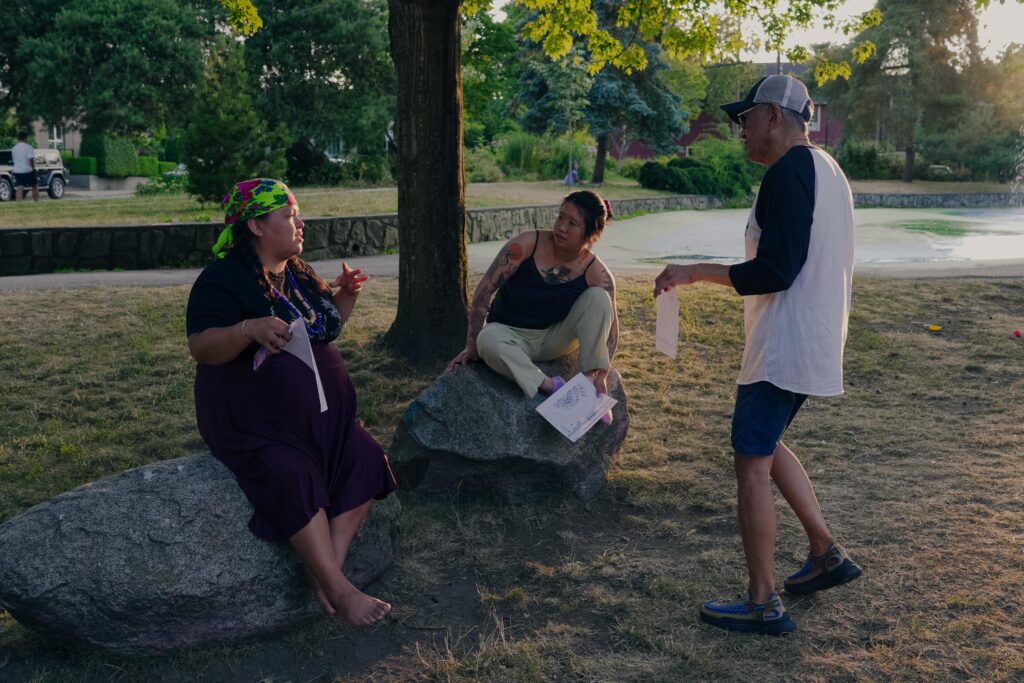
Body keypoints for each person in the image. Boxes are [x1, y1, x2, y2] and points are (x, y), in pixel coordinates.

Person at [653, 75, 862, 635]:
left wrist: (694, 271)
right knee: (765, 446)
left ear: (773, 116)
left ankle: (762, 601)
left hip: (786, 344)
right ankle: (824, 552)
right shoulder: (827, 170)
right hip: (811, 339)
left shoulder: (788, 173)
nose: (740, 129)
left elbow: (776, 270)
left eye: (745, 117)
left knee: (750, 461)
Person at [186, 178, 397, 625]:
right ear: (258, 225)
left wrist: (345, 297)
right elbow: (202, 345)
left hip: (322, 422)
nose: (300, 223)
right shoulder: (222, 279)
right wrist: (247, 330)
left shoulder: (297, 272)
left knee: (365, 458)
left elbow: (323, 329)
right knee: (292, 476)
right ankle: (340, 591)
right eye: (289, 215)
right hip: (256, 423)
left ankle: (325, 572)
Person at [448, 190, 618, 412]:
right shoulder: (527, 243)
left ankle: (587, 383)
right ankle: (551, 386)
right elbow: (483, 292)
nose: (561, 227)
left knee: (599, 297)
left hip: (555, 338)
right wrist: (471, 346)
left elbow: (612, 327)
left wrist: (602, 375)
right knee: (486, 339)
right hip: (508, 333)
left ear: (591, 233)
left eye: (572, 223)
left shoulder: (596, 272)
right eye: (560, 217)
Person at [12, 131, 38, 202]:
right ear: (25, 138)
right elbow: (30, 159)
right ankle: (36, 201)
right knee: (34, 186)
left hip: (17, 170)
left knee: (19, 187)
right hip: (27, 170)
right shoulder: (28, 147)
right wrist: (33, 168)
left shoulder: (14, 148)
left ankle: (19, 202)